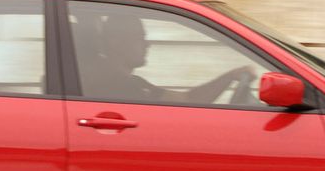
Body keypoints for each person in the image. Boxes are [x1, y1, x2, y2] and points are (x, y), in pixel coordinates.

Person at [87, 12, 255, 104]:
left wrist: (230, 76)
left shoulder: (133, 83)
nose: (147, 45)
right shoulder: (113, 85)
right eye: (139, 37)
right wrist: (230, 76)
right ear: (116, 42)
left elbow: (188, 99)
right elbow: (191, 101)